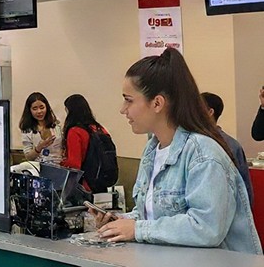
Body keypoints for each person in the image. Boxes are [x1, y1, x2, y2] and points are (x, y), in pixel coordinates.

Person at [94, 48, 261, 254]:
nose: (123, 109)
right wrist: (120, 222)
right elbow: (152, 215)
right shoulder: (152, 149)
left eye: (128, 100)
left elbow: (206, 227)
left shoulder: (203, 154)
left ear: (157, 103)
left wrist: (137, 229)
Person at [201, 92, 253, 205]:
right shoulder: (187, 141)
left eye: (197, 107)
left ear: (210, 112)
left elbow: (244, 189)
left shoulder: (231, 146)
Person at [60, 94, 113, 191]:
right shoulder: (100, 129)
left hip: (86, 184)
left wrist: (61, 164)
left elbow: (74, 165)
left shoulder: (75, 131)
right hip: (103, 183)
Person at [20, 92, 63, 164]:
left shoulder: (57, 125)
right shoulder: (27, 130)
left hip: (59, 166)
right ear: (29, 110)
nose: (39, 112)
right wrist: (39, 147)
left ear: (47, 107)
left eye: (42, 107)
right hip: (38, 167)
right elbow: (28, 157)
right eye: (35, 109)